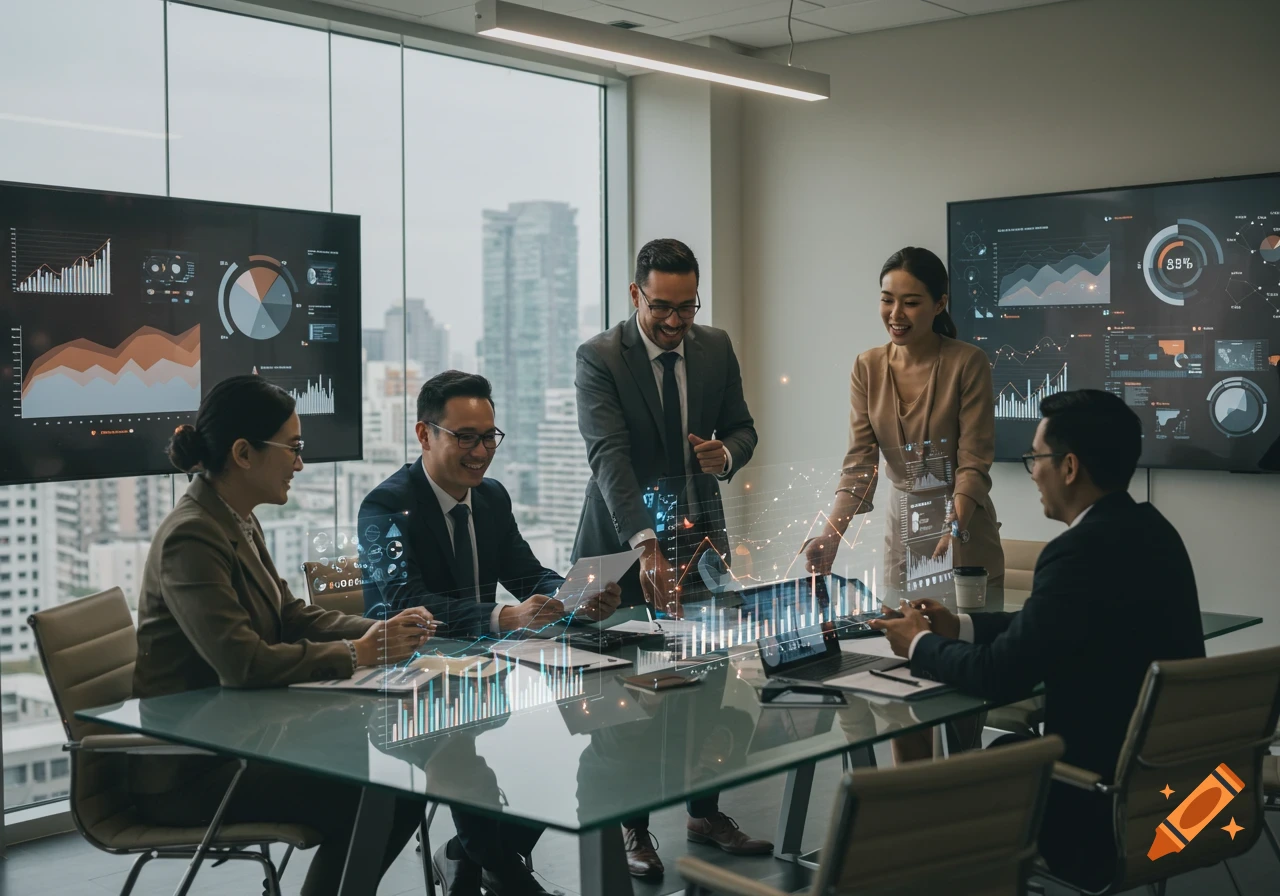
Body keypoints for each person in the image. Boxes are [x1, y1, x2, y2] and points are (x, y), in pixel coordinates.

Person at [871, 389, 1205, 889]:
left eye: (1036, 458)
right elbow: (1053, 625)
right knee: (1002, 748)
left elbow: (1000, 675)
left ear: (1069, 467)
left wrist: (918, 645)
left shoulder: (1078, 552)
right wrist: (958, 627)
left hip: (1099, 808)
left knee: (944, 793)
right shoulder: (1154, 531)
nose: (1032, 472)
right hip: (1184, 803)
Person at [131, 375, 428, 896]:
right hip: (192, 769)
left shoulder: (233, 518)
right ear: (243, 453)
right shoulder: (192, 534)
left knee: (393, 778)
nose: (300, 463)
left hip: (241, 740)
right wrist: (355, 653)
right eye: (292, 448)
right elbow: (242, 665)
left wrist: (374, 632)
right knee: (387, 787)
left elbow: (289, 614)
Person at [360, 369, 622, 896]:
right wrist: (502, 618)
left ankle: (472, 854)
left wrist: (576, 595)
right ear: (424, 434)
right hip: (410, 692)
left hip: (488, 683)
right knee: (464, 757)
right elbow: (400, 602)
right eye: (465, 438)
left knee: (577, 740)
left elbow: (527, 576)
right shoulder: (386, 507)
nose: (481, 452)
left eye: (489, 437)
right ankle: (501, 870)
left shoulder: (493, 498)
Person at [572, 238, 769, 878]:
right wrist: (645, 545)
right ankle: (632, 825)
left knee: (704, 680)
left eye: (688, 307)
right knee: (629, 689)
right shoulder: (599, 357)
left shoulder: (715, 347)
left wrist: (726, 456)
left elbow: (743, 428)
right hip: (623, 541)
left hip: (698, 539)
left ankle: (703, 811)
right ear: (636, 295)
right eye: (663, 307)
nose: (677, 322)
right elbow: (610, 459)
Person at [806, 246, 1003, 762]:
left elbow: (974, 460)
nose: (896, 314)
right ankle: (911, 805)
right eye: (887, 300)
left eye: (911, 302)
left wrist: (952, 526)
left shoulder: (968, 362)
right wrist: (830, 533)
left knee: (962, 685)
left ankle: (964, 803)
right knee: (904, 679)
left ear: (940, 304)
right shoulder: (867, 367)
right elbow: (860, 466)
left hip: (962, 531)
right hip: (904, 529)